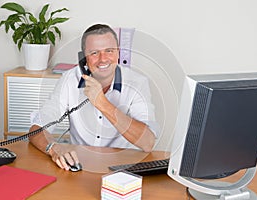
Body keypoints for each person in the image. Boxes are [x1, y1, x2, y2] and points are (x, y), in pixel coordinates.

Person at [29, 24, 159, 171]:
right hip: (79, 166)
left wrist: (102, 103)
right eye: (94, 53)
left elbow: (148, 142)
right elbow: (37, 128)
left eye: (109, 51)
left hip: (123, 168)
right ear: (83, 58)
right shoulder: (69, 79)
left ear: (118, 54)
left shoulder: (138, 83)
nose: (103, 59)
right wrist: (54, 148)